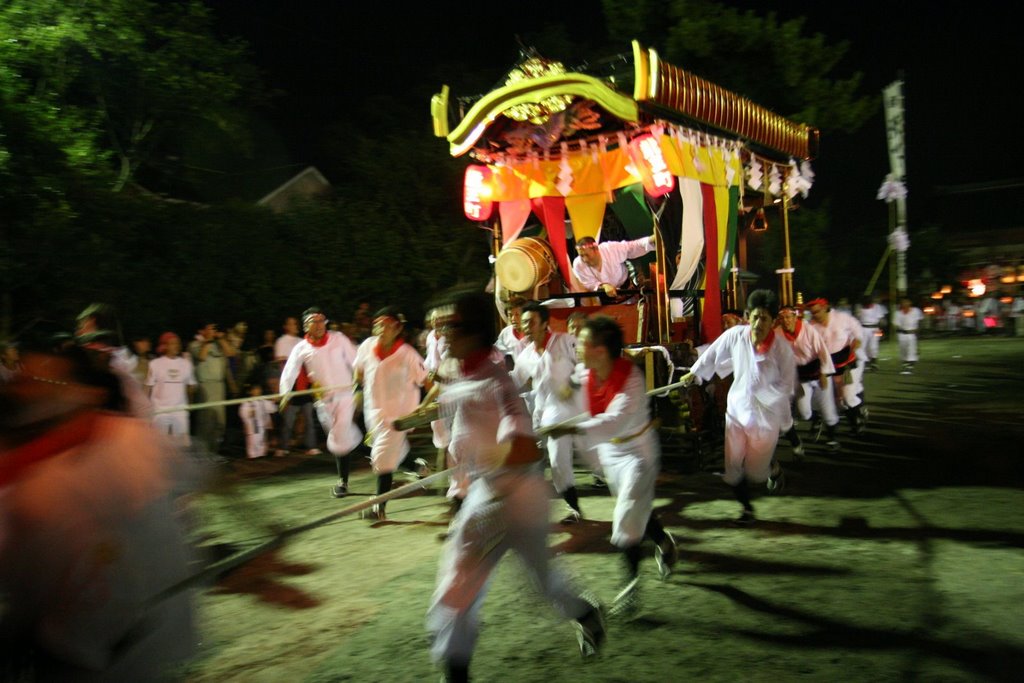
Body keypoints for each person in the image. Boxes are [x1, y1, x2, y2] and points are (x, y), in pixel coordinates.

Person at [398, 288, 604, 683]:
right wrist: (410, 420)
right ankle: (586, 614)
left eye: (450, 327)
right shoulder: (460, 374)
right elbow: (449, 400)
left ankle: (456, 670)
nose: (442, 336)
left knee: (466, 587)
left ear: (474, 332)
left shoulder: (496, 381)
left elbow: (523, 446)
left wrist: (498, 454)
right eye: (439, 328)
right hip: (488, 493)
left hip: (512, 496)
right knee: (504, 583)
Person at [0, 343, 196, 680]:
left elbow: (203, 481)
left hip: (140, 642)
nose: (30, 389)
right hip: (65, 650)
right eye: (24, 379)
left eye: (49, 382)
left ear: (84, 392)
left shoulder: (131, 439)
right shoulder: (18, 479)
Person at [549, 315, 678, 616]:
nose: (577, 346)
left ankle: (630, 587)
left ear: (600, 351)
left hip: (637, 454)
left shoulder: (631, 380)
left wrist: (571, 429)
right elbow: (573, 381)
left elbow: (613, 421)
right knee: (636, 510)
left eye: (582, 342)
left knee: (625, 520)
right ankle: (664, 542)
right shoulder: (587, 369)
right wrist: (564, 392)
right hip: (610, 454)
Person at [681, 290, 797, 524]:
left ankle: (772, 469)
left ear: (773, 322)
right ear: (747, 316)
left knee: (756, 473)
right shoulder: (736, 335)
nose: (758, 323)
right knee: (732, 469)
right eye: (754, 317)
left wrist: (760, 395)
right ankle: (747, 510)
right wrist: (694, 374)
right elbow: (712, 354)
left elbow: (786, 386)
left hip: (765, 419)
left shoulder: (783, 350)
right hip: (736, 412)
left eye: (764, 318)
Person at [352, 307, 429, 520]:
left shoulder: (408, 354)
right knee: (394, 451)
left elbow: (427, 380)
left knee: (382, 458)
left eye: (387, 325)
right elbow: (358, 372)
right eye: (378, 325)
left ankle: (379, 508)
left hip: (399, 418)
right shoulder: (366, 347)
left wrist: (428, 406)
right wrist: (357, 391)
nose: (382, 329)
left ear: (397, 329)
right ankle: (418, 467)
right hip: (373, 413)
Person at [279, 307, 362, 498]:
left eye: (321, 320)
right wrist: (285, 394)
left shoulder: (338, 338)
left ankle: (343, 482)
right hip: (323, 401)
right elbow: (290, 370)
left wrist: (360, 387)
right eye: (314, 321)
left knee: (340, 435)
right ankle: (382, 452)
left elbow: (355, 360)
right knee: (341, 438)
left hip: (345, 395)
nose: (319, 325)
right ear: (305, 326)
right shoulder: (301, 348)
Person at [513, 301, 584, 523]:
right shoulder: (525, 356)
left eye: (532, 321)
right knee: (548, 462)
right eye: (524, 322)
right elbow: (514, 381)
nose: (527, 326)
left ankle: (575, 508)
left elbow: (586, 365)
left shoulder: (565, 342)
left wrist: (571, 384)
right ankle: (566, 508)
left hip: (574, 411)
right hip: (546, 416)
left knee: (570, 462)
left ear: (545, 323)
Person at [777, 305, 839, 453]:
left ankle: (832, 439)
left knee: (828, 410)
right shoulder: (778, 334)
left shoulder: (808, 330)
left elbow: (822, 351)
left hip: (817, 372)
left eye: (789, 317)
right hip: (800, 375)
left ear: (795, 317)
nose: (786, 321)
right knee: (804, 412)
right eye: (783, 318)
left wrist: (824, 373)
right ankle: (815, 419)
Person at [807, 298, 866, 435]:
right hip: (830, 367)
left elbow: (857, 328)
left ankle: (857, 420)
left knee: (848, 396)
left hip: (847, 366)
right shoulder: (812, 326)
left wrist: (857, 340)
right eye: (812, 312)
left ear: (825, 307)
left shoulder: (841, 318)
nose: (815, 314)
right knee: (839, 400)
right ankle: (857, 412)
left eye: (817, 311)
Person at [188, 322, 236, 453]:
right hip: (205, 387)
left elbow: (231, 353)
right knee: (205, 423)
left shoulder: (218, 344)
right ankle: (202, 454)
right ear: (202, 331)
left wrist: (220, 338)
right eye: (210, 328)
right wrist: (208, 340)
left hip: (219, 386)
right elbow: (202, 356)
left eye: (214, 328)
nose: (213, 331)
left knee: (220, 423)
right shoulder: (195, 344)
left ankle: (214, 453)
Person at [274, 316, 318, 456]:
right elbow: (282, 366)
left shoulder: (302, 341)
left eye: (295, 323)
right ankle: (283, 447)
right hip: (292, 387)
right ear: (286, 326)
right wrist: (284, 388)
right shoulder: (281, 341)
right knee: (289, 420)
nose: (295, 326)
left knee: (309, 419)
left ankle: (311, 446)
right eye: (291, 324)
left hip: (305, 385)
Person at [146, 332, 198, 448]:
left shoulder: (186, 364)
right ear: (165, 346)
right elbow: (148, 387)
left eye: (178, 343)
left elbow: (191, 386)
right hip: (160, 410)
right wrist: (146, 407)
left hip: (180, 410)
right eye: (172, 343)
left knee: (181, 446)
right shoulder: (155, 364)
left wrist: (189, 404)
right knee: (158, 445)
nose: (176, 346)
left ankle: (179, 465)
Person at [571, 235, 655, 297]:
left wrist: (650, 240)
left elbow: (632, 247)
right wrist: (603, 286)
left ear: (596, 250)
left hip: (627, 288)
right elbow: (588, 284)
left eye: (587, 255)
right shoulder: (578, 264)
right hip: (604, 296)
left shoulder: (610, 249)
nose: (584, 259)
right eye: (582, 256)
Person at [240, 383, 278, 459]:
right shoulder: (248, 402)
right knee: (253, 441)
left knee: (261, 440)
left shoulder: (262, 401)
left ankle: (261, 455)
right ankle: (253, 456)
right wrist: (248, 414)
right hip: (252, 425)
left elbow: (272, 409)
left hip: (262, 424)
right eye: (256, 389)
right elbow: (243, 413)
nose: (258, 391)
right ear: (251, 392)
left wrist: (273, 402)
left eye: (259, 389)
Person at [494, 296, 528, 369]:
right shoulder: (506, 333)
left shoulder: (533, 332)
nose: (513, 319)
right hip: (519, 374)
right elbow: (496, 354)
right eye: (510, 315)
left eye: (517, 315)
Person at [856, 295, 887, 371]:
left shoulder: (877, 307)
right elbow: (857, 318)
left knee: (874, 346)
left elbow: (881, 320)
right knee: (863, 346)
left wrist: (881, 331)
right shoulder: (859, 308)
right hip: (863, 328)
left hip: (875, 328)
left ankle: (874, 362)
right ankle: (865, 362)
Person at [894, 298, 924, 374]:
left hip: (912, 333)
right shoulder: (898, 313)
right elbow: (896, 325)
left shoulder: (916, 311)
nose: (904, 304)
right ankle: (905, 364)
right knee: (903, 350)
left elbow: (919, 321)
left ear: (910, 302)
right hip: (902, 334)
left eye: (906, 302)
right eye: (902, 302)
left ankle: (910, 366)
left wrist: (918, 330)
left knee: (911, 349)